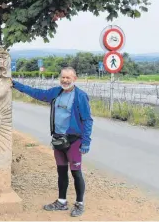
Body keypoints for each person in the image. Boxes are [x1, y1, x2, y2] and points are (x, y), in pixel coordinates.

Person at [12, 67, 93, 217]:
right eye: (63, 77)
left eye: (68, 78)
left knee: (76, 172)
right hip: (58, 140)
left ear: (75, 79)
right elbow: (37, 93)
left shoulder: (80, 96)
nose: (65, 80)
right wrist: (16, 84)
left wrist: (86, 141)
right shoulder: (56, 92)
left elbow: (87, 120)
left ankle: (79, 204)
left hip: (74, 140)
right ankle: (61, 202)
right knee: (61, 172)